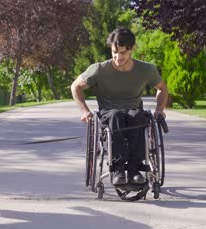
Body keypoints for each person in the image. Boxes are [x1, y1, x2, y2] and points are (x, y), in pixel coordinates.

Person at [71, 28, 168, 186]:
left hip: (134, 111)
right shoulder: (99, 69)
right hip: (109, 113)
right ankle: (118, 169)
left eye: (123, 53)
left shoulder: (146, 69)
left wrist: (159, 110)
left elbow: (162, 88)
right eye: (115, 52)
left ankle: (134, 169)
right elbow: (76, 86)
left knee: (138, 116)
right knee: (116, 116)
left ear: (132, 49)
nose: (118, 57)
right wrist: (85, 111)